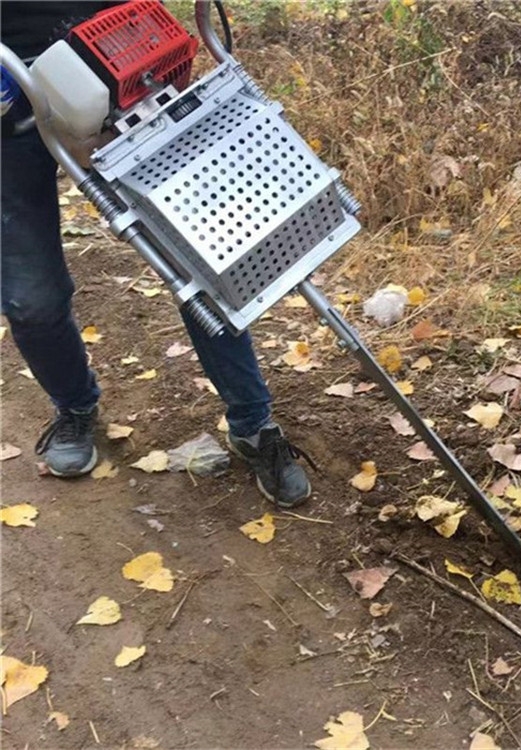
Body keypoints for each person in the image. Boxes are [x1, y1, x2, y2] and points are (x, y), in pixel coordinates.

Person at [1, 2, 312, 508]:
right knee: (30, 298)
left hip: (115, 66)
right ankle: (76, 409)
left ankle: (253, 424)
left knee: (199, 260)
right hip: (6, 95)